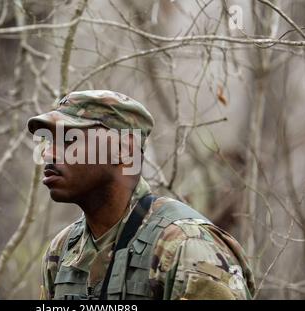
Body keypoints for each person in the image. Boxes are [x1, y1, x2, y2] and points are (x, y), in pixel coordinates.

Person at [27, 90, 255, 300]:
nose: (48, 153)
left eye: (69, 139)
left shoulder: (185, 247)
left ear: (124, 150)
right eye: (48, 141)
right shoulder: (63, 250)